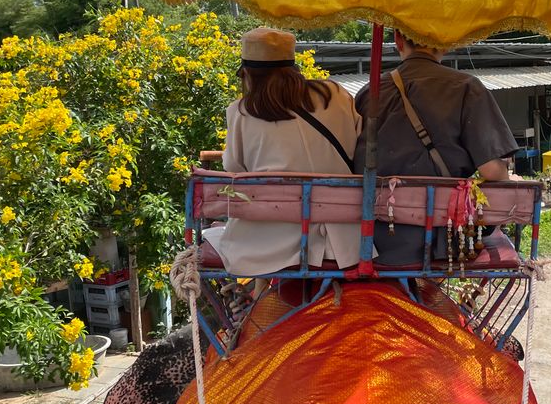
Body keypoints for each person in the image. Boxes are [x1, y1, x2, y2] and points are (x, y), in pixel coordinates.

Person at [353, 30, 518, 265]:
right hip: (443, 240)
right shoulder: (467, 87)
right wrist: (508, 175)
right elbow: (491, 171)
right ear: (446, 43)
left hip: (372, 241)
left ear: (398, 40)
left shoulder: (370, 92)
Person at [207, 27, 362, 276]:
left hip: (271, 242)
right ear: (294, 67)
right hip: (344, 240)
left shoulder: (241, 112)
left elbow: (234, 169)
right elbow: (357, 146)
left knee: (218, 234)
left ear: (247, 74)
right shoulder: (334, 94)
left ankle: (256, 294)